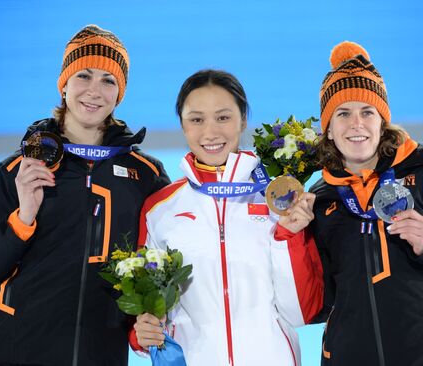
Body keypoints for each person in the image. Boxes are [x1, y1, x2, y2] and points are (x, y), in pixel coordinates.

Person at [0, 24, 170, 366]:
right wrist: (22, 218)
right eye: (83, 75)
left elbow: (160, 270)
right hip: (8, 353)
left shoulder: (145, 175)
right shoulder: (18, 170)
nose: (94, 91)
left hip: (98, 356)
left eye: (108, 80)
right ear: (64, 83)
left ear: (120, 93)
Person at [309, 41, 423, 366]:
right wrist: (286, 240)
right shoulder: (320, 200)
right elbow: (316, 302)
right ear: (328, 128)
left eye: (367, 112)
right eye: (343, 113)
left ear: (382, 122)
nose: (356, 124)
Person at [130, 69, 324, 365]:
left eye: (223, 117)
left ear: (243, 120)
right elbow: (149, 309)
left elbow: (302, 312)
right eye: (196, 119)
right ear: (182, 125)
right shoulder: (160, 209)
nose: (210, 132)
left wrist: (289, 235)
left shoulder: (279, 200)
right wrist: (141, 332)